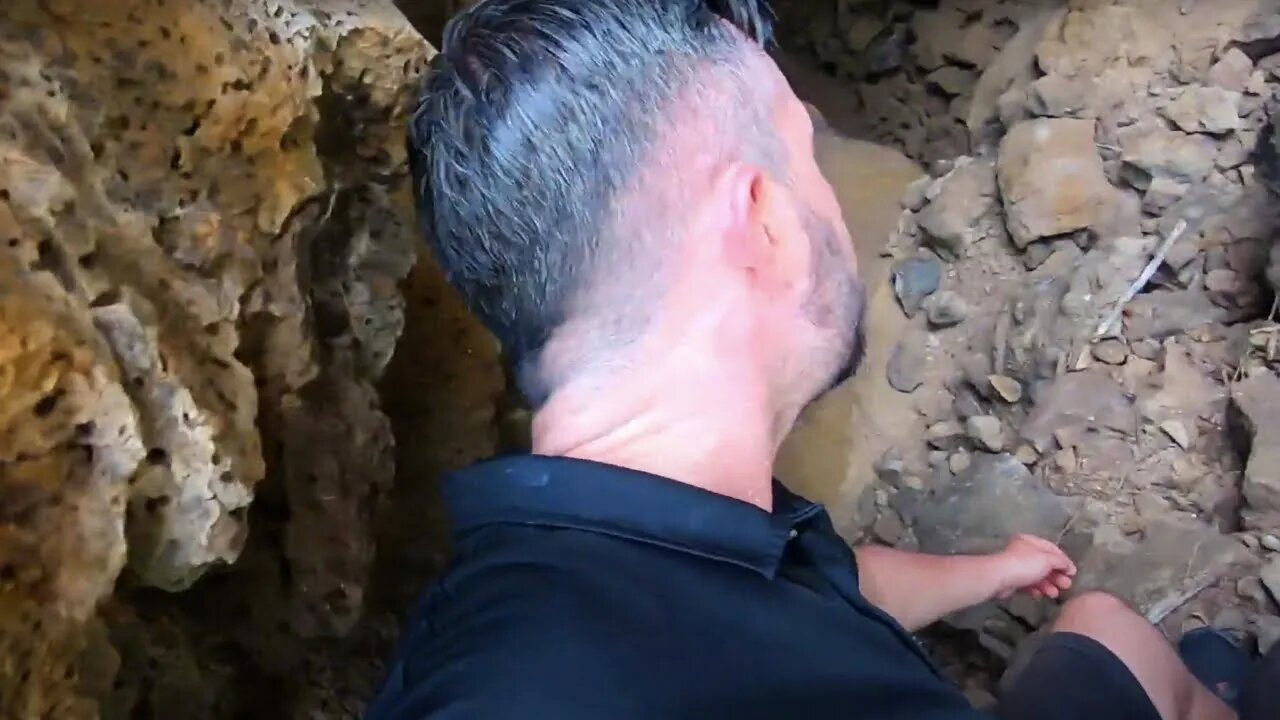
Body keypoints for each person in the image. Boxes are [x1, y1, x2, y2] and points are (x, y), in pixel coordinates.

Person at [367, 1, 1237, 718]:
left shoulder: (594, 547)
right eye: (804, 155)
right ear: (766, 221)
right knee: (1126, 639)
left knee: (1108, 630)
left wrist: (987, 573)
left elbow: (799, 588)